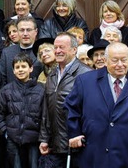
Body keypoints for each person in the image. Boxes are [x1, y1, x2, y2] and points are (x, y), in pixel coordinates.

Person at [66, 42, 128, 167]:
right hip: (94, 153)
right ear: (106, 61)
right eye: (115, 60)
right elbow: (71, 108)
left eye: (124, 60)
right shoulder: (85, 81)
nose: (120, 64)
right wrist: (74, 133)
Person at [38, 32, 92, 167]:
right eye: (55, 47)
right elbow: (46, 109)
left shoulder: (87, 74)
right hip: (55, 145)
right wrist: (44, 139)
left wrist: (81, 135)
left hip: (80, 144)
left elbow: (92, 111)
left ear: (74, 50)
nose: (57, 51)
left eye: (62, 47)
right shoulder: (52, 74)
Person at [0, 53, 44, 168]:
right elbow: (0, 115)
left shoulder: (41, 89)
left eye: (23, 66)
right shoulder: (6, 90)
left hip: (34, 138)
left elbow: (44, 115)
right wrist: (6, 132)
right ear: (13, 71)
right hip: (13, 137)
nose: (20, 70)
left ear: (31, 68)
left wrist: (43, 137)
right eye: (17, 67)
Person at [0, 16, 43, 85]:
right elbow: (1, 80)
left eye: (29, 30)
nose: (25, 34)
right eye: (21, 30)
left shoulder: (42, 52)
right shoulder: (7, 53)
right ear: (18, 32)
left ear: (36, 32)